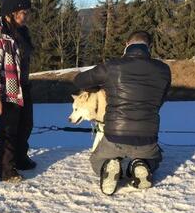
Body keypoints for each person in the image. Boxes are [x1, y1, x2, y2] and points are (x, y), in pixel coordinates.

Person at [73, 31, 171, 195]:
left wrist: (97, 87)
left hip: (114, 137)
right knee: (153, 160)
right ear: (150, 47)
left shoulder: (112, 67)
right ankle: (139, 164)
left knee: (96, 160)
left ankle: (108, 166)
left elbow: (79, 80)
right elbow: (160, 100)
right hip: (147, 137)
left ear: (126, 45)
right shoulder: (163, 70)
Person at [0, 0, 36, 182]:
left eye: (27, 12)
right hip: (7, 91)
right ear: (11, 13)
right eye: (24, 12)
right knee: (8, 131)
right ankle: (7, 170)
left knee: (26, 125)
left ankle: (21, 159)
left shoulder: (21, 31)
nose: (26, 16)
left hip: (23, 86)